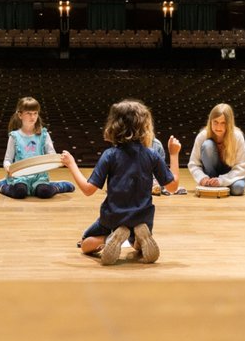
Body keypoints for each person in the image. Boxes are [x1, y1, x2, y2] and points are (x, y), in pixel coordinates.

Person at [61, 99, 181, 265]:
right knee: (136, 243)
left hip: (113, 216)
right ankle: (139, 240)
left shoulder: (110, 155)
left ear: (114, 126)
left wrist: (71, 164)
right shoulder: (151, 154)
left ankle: (110, 237)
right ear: (144, 127)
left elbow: (88, 190)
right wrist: (174, 155)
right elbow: (173, 187)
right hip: (142, 216)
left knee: (84, 243)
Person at [0, 96, 73, 199]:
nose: (33, 117)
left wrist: (58, 160)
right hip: (20, 177)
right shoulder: (14, 136)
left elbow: (51, 154)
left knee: (44, 192)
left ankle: (58, 186)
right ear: (20, 115)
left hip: (39, 176)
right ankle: (2, 185)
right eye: (29, 113)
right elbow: (7, 160)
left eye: (35, 113)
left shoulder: (44, 134)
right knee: (20, 192)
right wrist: (8, 167)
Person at [188, 103, 245, 196]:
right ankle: (213, 183)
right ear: (210, 121)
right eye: (215, 122)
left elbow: (242, 166)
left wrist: (222, 180)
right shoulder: (202, 136)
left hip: (230, 173)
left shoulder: (237, 137)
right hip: (210, 174)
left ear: (229, 124)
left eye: (223, 123)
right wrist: (202, 178)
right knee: (208, 145)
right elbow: (193, 164)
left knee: (238, 189)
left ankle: (219, 185)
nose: (218, 127)